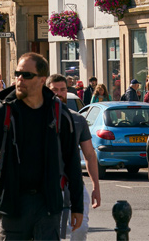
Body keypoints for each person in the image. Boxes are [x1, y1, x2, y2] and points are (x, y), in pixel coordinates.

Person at [0, 53, 83, 238]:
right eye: (17, 74)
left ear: (42, 80)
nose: (19, 79)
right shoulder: (3, 112)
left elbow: (72, 160)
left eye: (26, 75)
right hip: (13, 204)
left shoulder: (58, 113)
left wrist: (77, 206)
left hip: (48, 205)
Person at [48, 75, 100, 240]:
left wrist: (96, 187)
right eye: (54, 90)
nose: (59, 93)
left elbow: (90, 155)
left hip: (74, 184)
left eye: (62, 89)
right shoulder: (38, 119)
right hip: (46, 185)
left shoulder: (77, 119)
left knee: (81, 229)